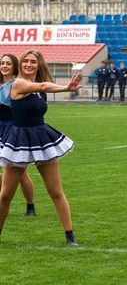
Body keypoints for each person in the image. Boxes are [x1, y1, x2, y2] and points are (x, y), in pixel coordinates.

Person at [0, 49, 82, 246]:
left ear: (39, 64)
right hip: (19, 139)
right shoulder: (19, 83)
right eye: (25, 61)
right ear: (20, 64)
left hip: (40, 137)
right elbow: (44, 85)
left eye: (33, 62)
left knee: (55, 191)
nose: (28, 64)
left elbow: (42, 88)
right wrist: (66, 88)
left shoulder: (38, 89)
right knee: (5, 195)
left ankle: (70, 236)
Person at [0, 53, 36, 217]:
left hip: (13, 130)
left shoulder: (17, 84)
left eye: (8, 63)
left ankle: (30, 206)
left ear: (14, 66)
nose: (4, 66)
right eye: (2, 63)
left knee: (21, 174)